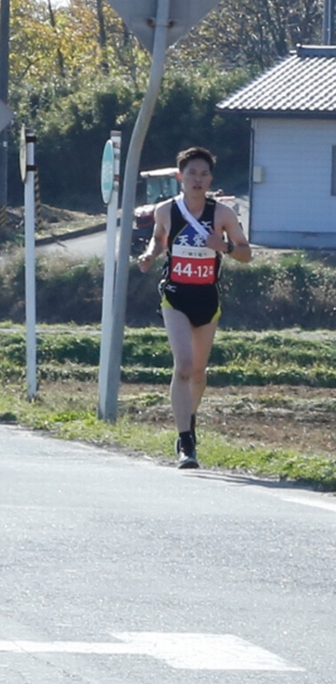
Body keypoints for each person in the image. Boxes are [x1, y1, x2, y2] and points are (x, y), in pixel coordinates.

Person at [137, 147, 251, 468]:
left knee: (199, 373)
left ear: (211, 178)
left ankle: (189, 418)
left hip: (207, 297)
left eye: (203, 174)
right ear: (180, 178)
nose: (197, 180)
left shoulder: (222, 214)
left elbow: (246, 253)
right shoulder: (165, 210)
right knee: (184, 365)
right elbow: (159, 240)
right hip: (175, 295)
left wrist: (225, 247)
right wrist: (150, 256)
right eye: (191, 174)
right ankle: (186, 442)